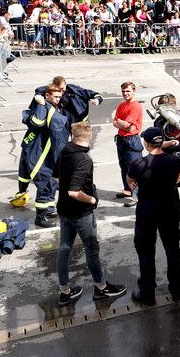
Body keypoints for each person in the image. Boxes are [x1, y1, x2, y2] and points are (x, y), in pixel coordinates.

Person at [53, 122, 126, 305]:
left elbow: (55, 176)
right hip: (81, 212)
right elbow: (74, 191)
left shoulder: (65, 150)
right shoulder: (84, 159)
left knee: (64, 248)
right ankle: (101, 288)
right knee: (91, 249)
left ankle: (65, 291)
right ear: (90, 136)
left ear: (72, 135)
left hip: (64, 210)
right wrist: (92, 200)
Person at [127, 127, 180, 305]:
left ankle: (147, 293)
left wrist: (135, 186)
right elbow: (179, 178)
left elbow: (130, 181)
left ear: (146, 143)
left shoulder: (138, 164)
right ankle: (176, 289)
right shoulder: (173, 161)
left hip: (147, 212)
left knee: (145, 251)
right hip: (169, 209)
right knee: (173, 249)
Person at [12, 84, 69, 228]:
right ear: (47, 96)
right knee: (45, 183)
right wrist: (42, 105)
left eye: (59, 96)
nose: (58, 99)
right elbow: (37, 122)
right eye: (55, 97)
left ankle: (48, 209)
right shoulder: (43, 108)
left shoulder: (50, 107)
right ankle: (40, 217)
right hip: (39, 153)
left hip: (39, 150)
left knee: (50, 183)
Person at [154, 94, 180, 216]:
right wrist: (169, 143)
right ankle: (179, 213)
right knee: (174, 187)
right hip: (170, 155)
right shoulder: (159, 122)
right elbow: (157, 144)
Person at [32, 76, 103, 132]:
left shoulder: (76, 91)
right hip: (62, 124)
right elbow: (39, 91)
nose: (61, 92)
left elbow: (95, 94)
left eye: (63, 89)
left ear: (66, 85)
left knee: (80, 145)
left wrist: (97, 100)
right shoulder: (51, 92)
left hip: (78, 123)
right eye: (58, 89)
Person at [113, 82, 143, 205]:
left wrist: (122, 123)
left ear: (134, 91)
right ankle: (128, 190)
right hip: (121, 139)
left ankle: (136, 196)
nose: (125, 94)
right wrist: (122, 124)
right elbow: (115, 122)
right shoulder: (121, 105)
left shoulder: (135, 106)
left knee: (134, 169)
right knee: (123, 166)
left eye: (128, 91)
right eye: (123, 91)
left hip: (132, 140)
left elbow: (127, 126)